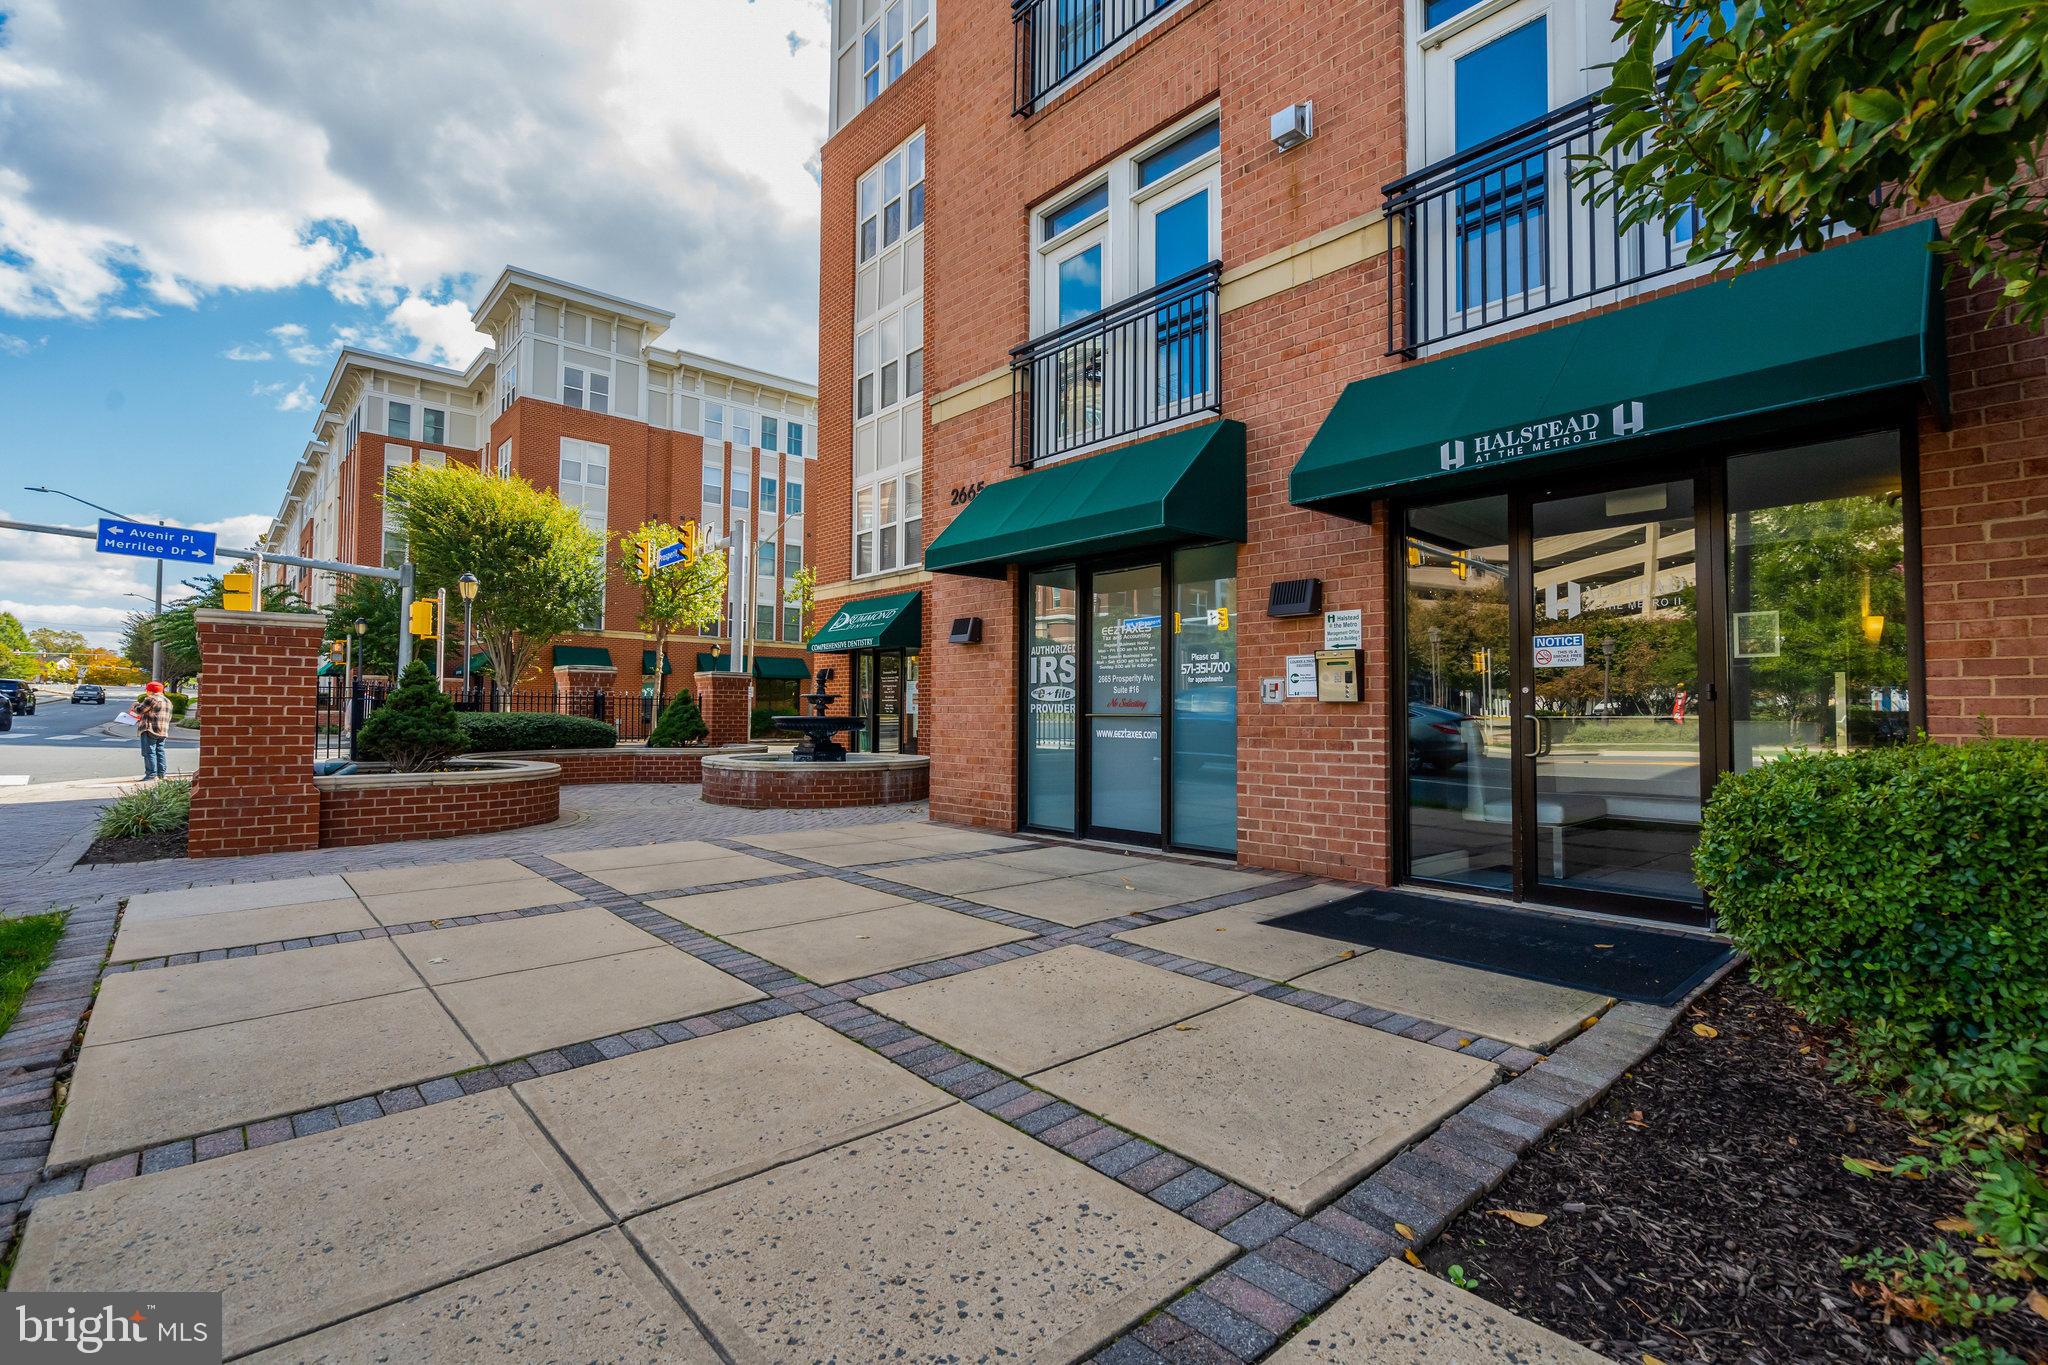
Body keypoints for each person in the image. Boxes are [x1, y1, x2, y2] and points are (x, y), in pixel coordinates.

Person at [130, 681, 171, 781]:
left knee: (149, 752)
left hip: (150, 729)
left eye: (147, 690)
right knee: (160, 751)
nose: (146, 692)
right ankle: (161, 774)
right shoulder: (167, 701)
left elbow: (139, 710)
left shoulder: (151, 699)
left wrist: (135, 705)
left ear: (150, 690)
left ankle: (151, 774)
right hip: (163, 730)